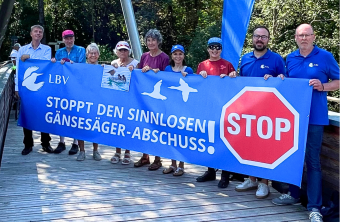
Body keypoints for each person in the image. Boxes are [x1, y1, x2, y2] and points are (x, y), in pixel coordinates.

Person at [271, 24, 339, 222]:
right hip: (292, 117)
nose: (304, 38)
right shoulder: (290, 57)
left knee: (313, 160)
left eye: (307, 35)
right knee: (292, 156)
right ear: (295, 38)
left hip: (316, 117)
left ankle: (314, 207)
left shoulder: (325, 57)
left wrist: (324, 85)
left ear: (313, 37)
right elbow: (288, 83)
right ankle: (293, 195)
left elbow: (339, 80)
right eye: (300, 35)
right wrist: (280, 79)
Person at [231, 26, 285, 199]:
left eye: (263, 37)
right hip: (247, 111)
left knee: (265, 148)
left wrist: (277, 80)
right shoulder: (245, 58)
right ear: (252, 38)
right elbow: (241, 82)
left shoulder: (276, 59)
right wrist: (233, 76)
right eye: (257, 36)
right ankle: (251, 179)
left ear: (268, 39)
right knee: (248, 146)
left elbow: (286, 84)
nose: (260, 39)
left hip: (268, 113)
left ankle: (264, 183)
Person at [195, 37, 237, 188]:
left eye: (217, 47)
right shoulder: (202, 65)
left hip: (224, 108)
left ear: (221, 49)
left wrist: (232, 76)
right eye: (212, 47)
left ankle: (225, 175)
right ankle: (210, 170)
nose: (214, 50)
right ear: (207, 49)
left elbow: (235, 84)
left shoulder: (227, 65)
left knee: (224, 140)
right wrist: (199, 77)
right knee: (209, 139)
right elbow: (197, 85)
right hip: (208, 107)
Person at [133, 29, 169, 171]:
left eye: (153, 40)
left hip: (158, 98)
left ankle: (158, 159)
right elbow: (139, 73)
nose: (151, 42)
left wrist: (157, 72)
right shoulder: (144, 56)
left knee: (157, 127)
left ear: (158, 41)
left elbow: (167, 77)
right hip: (145, 97)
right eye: (148, 40)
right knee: (145, 126)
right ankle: (145, 156)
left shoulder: (164, 57)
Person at [15, 25, 53, 155]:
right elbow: (18, 69)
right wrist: (16, 87)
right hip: (26, 87)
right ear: (31, 34)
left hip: (41, 87)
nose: (38, 33)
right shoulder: (22, 49)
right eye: (35, 31)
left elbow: (45, 63)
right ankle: (28, 144)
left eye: (40, 32)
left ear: (42, 35)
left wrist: (28, 58)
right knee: (27, 115)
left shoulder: (47, 49)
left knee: (43, 114)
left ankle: (46, 143)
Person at [51, 29, 86, 155]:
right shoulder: (59, 52)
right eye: (66, 38)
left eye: (71, 38)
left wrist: (72, 64)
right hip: (63, 87)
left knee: (75, 114)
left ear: (74, 38)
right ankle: (61, 142)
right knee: (61, 114)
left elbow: (82, 66)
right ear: (63, 39)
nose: (69, 40)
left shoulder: (81, 50)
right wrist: (54, 62)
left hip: (77, 87)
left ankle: (75, 143)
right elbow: (56, 69)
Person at [162, 44, 194, 176]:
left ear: (184, 55)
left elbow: (195, 86)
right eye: (175, 54)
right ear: (171, 55)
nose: (178, 56)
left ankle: (181, 165)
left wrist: (188, 78)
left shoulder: (189, 70)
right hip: (169, 107)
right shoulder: (167, 69)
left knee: (181, 137)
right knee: (170, 136)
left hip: (183, 108)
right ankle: (172, 164)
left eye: (180, 54)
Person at [110, 41, 139, 165]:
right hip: (117, 98)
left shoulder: (135, 63)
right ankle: (117, 151)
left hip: (130, 98)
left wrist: (133, 71)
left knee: (127, 125)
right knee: (117, 126)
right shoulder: (113, 63)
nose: (123, 52)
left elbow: (139, 81)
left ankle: (127, 152)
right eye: (120, 50)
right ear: (116, 51)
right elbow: (110, 79)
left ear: (129, 51)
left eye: (125, 50)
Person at [76, 43, 102, 161]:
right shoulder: (81, 68)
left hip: (97, 101)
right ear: (86, 55)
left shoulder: (103, 69)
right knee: (80, 126)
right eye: (90, 53)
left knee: (95, 126)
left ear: (98, 55)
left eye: (95, 53)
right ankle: (82, 151)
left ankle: (96, 150)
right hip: (83, 100)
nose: (92, 55)